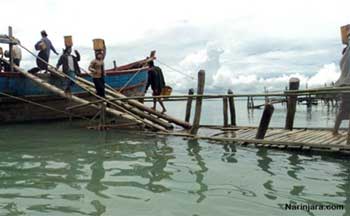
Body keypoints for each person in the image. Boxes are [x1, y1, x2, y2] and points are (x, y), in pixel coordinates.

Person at [333, 33, 350, 135]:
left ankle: (336, 131)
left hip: (345, 84)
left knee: (343, 109)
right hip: (347, 84)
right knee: (343, 108)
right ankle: (337, 132)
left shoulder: (345, 57)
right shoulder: (346, 56)